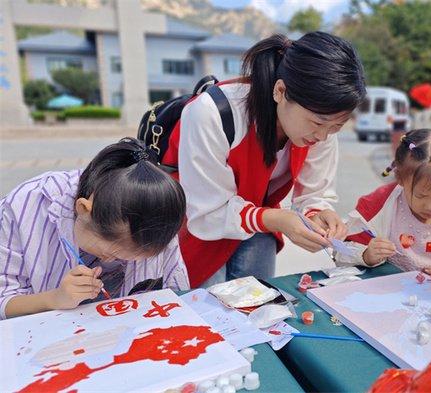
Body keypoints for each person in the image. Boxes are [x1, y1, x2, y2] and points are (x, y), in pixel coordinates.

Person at [168, 32, 367, 287]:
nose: (324, 136)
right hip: (196, 225)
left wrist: (317, 213)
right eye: (318, 123)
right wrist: (276, 220)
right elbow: (206, 214)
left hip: (255, 223)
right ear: (280, 91)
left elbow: (314, 192)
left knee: (258, 304)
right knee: (205, 311)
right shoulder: (211, 113)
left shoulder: (322, 124)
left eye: (338, 126)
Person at [0, 138, 189, 319]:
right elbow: (4, 301)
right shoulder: (25, 205)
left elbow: (177, 295)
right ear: (83, 209)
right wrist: (55, 298)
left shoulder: (157, 217)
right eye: (112, 254)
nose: (113, 262)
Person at [336, 129, 431, 271]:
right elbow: (340, 252)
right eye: (420, 195)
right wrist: (366, 255)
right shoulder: (377, 207)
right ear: (400, 179)